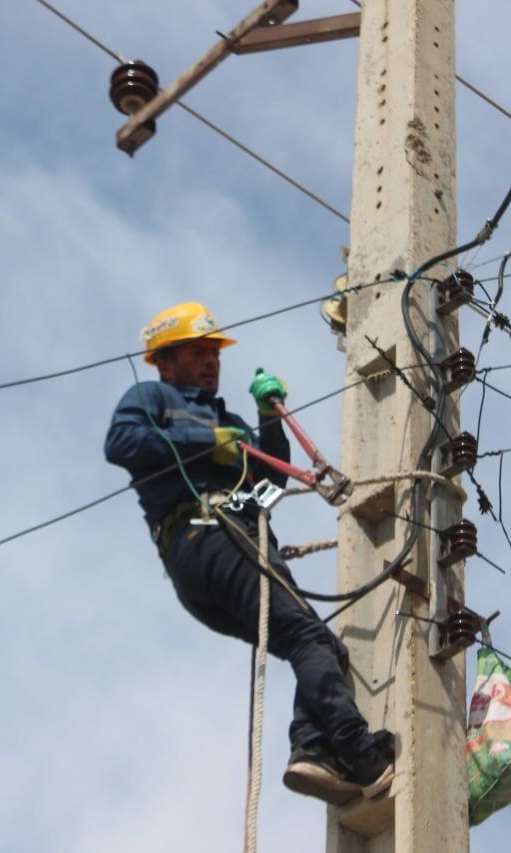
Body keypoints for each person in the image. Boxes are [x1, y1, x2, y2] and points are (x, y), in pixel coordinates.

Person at [103, 301, 395, 805]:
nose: (212, 361)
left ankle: (314, 751)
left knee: (320, 646)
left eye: (214, 352)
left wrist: (267, 420)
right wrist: (205, 444)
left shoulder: (232, 423)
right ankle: (362, 754)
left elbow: (271, 483)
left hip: (216, 554)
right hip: (207, 535)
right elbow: (121, 443)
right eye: (198, 351)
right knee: (306, 635)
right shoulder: (152, 397)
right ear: (165, 361)